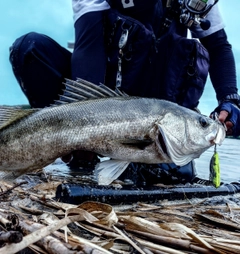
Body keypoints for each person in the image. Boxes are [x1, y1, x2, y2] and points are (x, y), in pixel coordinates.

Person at [9, 0, 240, 186]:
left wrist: (230, 100)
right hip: (105, 90)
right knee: (30, 49)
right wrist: (85, 128)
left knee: (172, 176)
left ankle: (144, 158)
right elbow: (89, 43)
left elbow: (218, 47)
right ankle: (71, 152)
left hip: (161, 111)